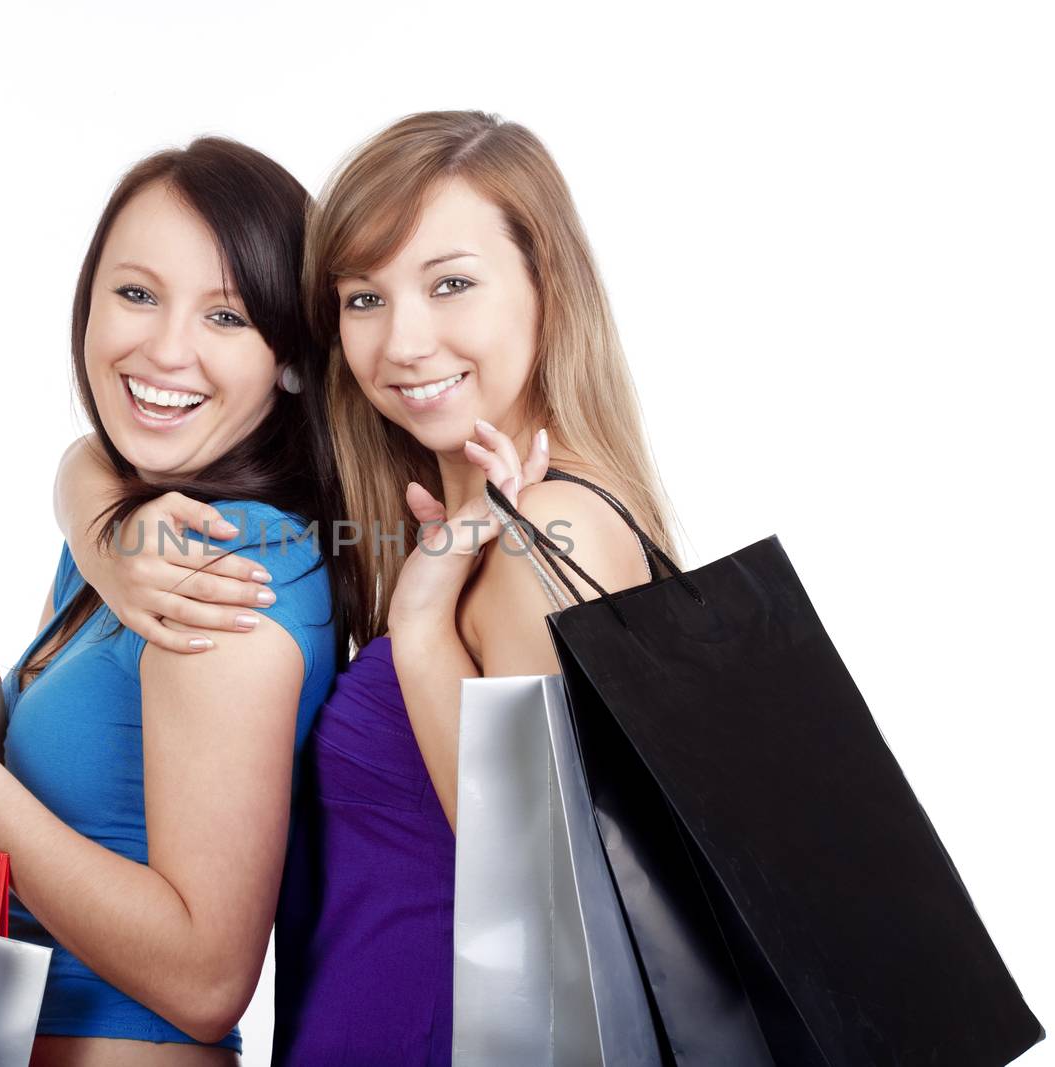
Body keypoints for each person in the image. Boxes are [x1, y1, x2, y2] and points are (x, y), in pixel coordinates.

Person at [59, 110, 684, 1065]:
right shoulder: (440, 524)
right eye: (364, 299)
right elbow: (101, 456)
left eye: (452, 285)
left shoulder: (551, 537)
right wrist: (95, 518)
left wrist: (425, 631)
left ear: (546, 287)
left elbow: (562, 921)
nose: (401, 342)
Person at [0, 137, 352, 1065]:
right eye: (137, 293)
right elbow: (92, 822)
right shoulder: (129, 542)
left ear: (291, 360)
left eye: (226, 315)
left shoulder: (219, 574)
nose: (164, 348)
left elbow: (204, 979)